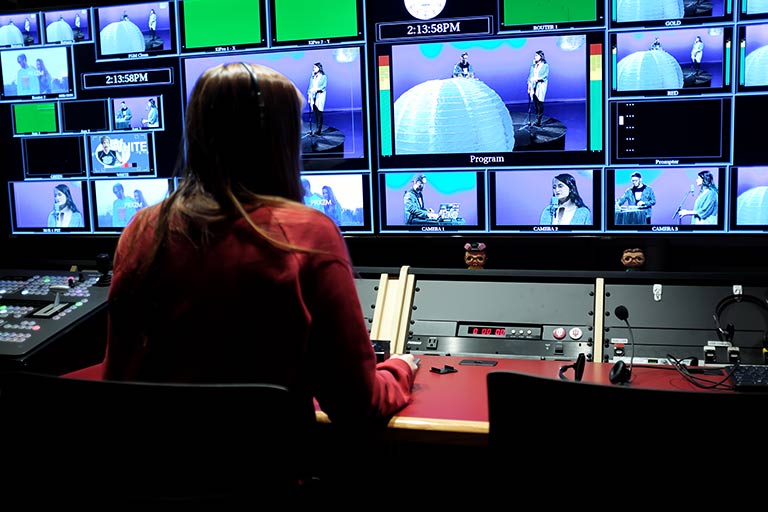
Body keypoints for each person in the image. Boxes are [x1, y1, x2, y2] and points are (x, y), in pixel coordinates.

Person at [102, 63, 418, 483]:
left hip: (151, 481)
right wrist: (401, 368)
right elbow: (356, 405)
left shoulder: (143, 230)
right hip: (266, 484)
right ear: (281, 141)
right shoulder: (305, 234)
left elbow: (117, 384)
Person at [527, 50, 549, 127]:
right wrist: (529, 84)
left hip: (540, 85)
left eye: (536, 55)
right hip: (533, 85)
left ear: (541, 56)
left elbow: (544, 76)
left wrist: (536, 79)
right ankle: (537, 118)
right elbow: (530, 75)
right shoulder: (533, 65)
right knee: (535, 103)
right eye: (535, 55)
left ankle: (539, 120)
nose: (535, 57)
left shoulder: (545, 65)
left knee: (540, 102)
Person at [307, 62, 327, 135]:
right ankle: (316, 128)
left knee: (319, 112)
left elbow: (323, 87)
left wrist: (316, 90)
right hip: (313, 96)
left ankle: (319, 129)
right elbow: (310, 86)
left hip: (320, 96)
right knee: (315, 112)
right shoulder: (312, 77)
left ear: (319, 68)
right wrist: (309, 94)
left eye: (315, 67)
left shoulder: (323, 76)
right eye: (313, 67)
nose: (313, 69)